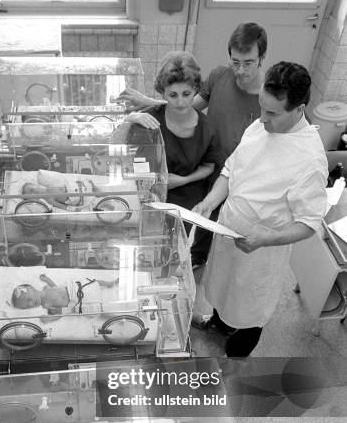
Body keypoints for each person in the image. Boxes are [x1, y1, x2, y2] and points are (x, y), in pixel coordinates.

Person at [193, 62, 328, 357]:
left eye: (272, 113)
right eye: (261, 108)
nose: (262, 118)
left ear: (299, 110)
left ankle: (236, 358)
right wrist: (211, 201)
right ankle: (218, 322)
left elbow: (308, 223)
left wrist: (263, 240)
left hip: (261, 250)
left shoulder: (310, 160)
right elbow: (232, 169)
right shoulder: (261, 125)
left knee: (250, 309)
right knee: (221, 285)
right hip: (229, 228)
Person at [116, 23, 267, 266]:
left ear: (261, 58)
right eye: (235, 61)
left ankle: (197, 259)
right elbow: (186, 105)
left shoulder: (266, 98)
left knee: (212, 223)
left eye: (248, 62)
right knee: (195, 215)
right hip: (203, 165)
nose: (240, 70)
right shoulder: (219, 77)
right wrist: (146, 106)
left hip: (234, 172)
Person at [123, 51, 220, 220]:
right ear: (162, 92)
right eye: (173, 95)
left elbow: (209, 167)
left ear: (196, 89)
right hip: (150, 202)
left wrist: (182, 180)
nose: (181, 102)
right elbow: (128, 162)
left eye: (187, 94)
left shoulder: (207, 129)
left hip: (191, 206)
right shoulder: (148, 122)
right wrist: (130, 118)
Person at [11, 274, 119, 317]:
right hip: (74, 301)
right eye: (28, 306)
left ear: (32, 289)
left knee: (93, 283)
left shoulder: (45, 288)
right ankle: (113, 317)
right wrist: (54, 313)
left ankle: (109, 283)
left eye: (29, 299)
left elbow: (54, 286)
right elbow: (59, 311)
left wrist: (47, 279)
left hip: (73, 289)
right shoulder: (45, 305)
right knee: (96, 310)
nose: (31, 303)